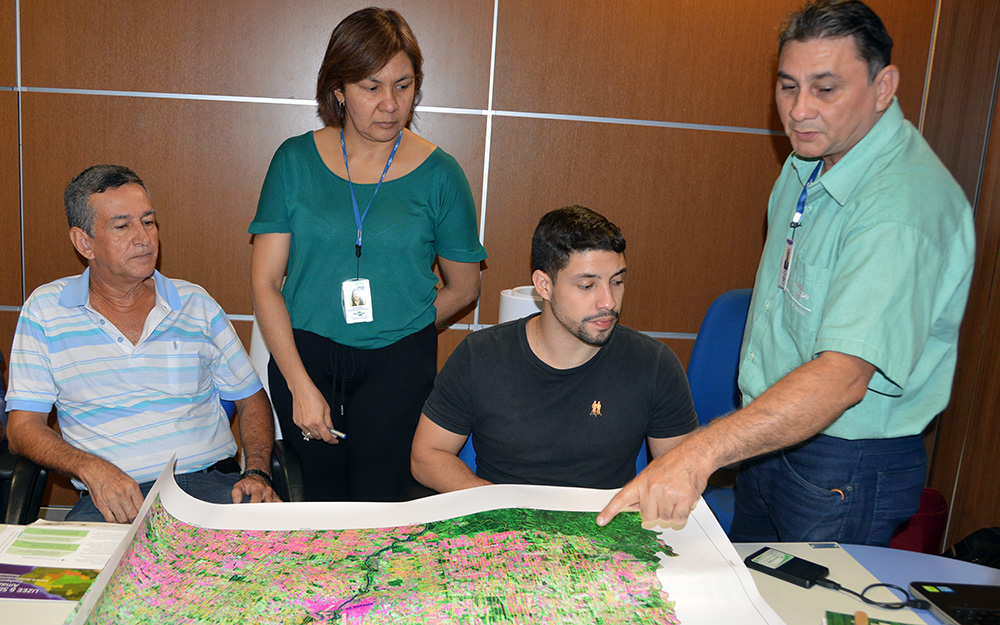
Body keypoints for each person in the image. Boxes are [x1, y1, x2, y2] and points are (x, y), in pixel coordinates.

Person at [598, 0, 975, 546]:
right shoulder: (808, 160)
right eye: (787, 86)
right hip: (773, 435)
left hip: (842, 463)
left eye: (825, 89)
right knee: (755, 592)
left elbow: (842, 378)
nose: (799, 110)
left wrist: (698, 453)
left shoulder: (901, 208)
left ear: (883, 86)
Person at [250, 7, 487, 502]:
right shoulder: (294, 160)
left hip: (399, 366)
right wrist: (298, 385)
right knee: (317, 510)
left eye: (404, 86)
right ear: (339, 89)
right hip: (305, 357)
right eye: (371, 87)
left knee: (381, 513)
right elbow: (266, 284)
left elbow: (465, 286)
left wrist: (405, 327)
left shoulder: (442, 174)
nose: (390, 104)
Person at [5, 165, 279, 524]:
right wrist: (91, 469)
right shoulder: (45, 311)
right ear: (84, 242)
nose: (144, 238)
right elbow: (22, 427)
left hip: (209, 489)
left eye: (148, 222)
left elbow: (250, 397)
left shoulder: (195, 303)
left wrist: (257, 472)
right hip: (112, 500)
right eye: (123, 226)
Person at [410, 206, 698, 492]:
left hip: (602, 528)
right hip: (504, 524)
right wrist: (496, 507)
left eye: (617, 281)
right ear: (544, 285)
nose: (608, 302)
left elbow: (683, 472)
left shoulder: (654, 364)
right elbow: (427, 457)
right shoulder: (481, 355)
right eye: (587, 285)